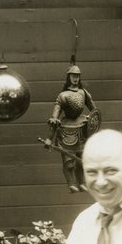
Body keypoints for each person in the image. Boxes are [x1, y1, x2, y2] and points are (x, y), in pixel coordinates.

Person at [48, 63, 97, 192]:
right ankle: (71, 183)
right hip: (66, 129)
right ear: (68, 77)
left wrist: (90, 118)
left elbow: (94, 110)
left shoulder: (84, 92)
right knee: (69, 162)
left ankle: (81, 182)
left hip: (82, 128)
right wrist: (49, 137)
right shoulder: (63, 95)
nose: (75, 78)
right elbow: (55, 115)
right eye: (73, 76)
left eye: (77, 76)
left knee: (81, 160)